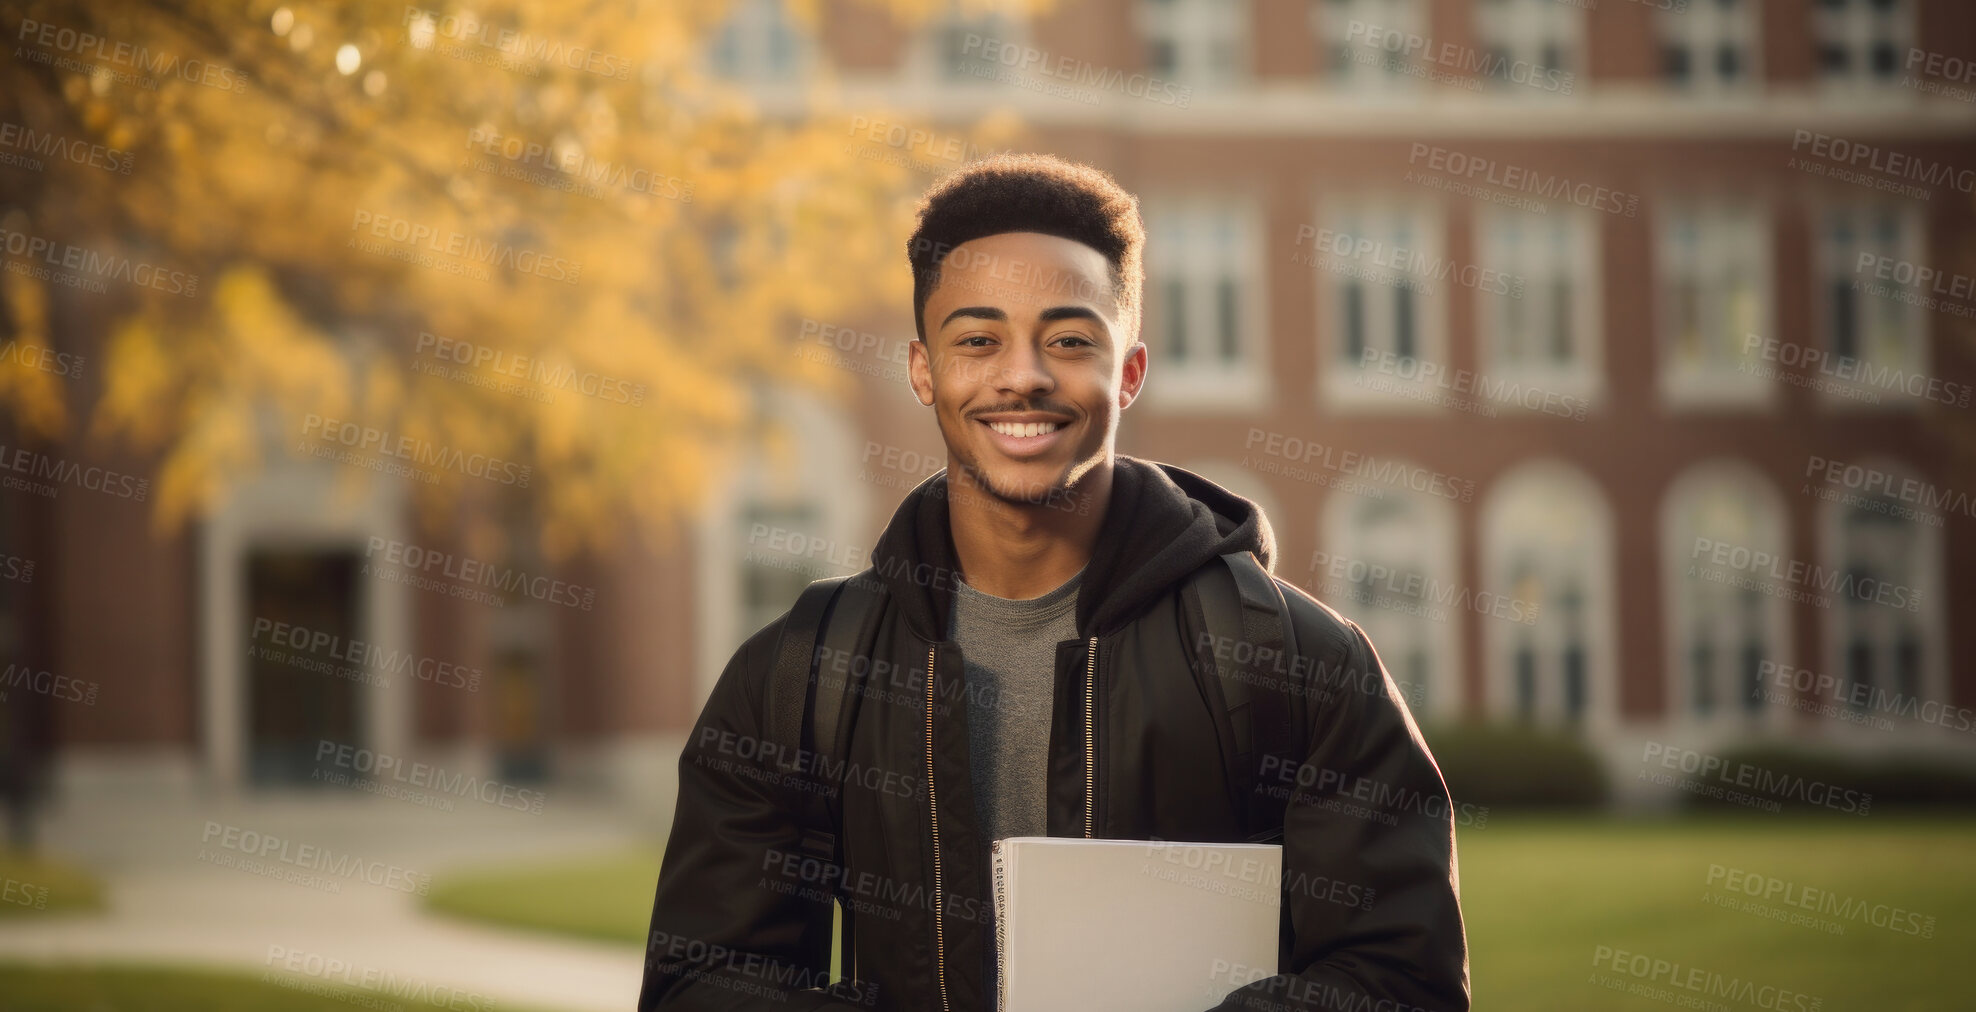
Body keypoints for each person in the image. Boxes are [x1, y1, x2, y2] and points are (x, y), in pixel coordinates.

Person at [638, 153, 1469, 1012]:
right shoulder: (802, 675)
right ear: (925, 371)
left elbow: (1402, 981)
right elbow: (699, 985)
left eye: (1070, 340)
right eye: (978, 340)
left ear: (1130, 372)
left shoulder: (1295, 662)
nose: (1023, 374)